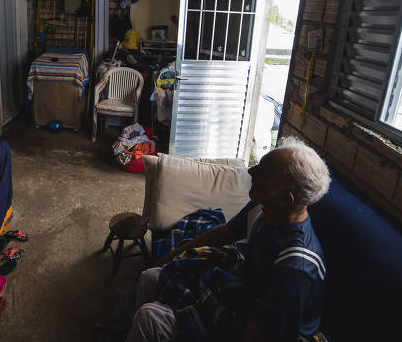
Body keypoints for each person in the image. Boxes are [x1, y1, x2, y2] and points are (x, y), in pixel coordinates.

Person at [127, 136, 330, 342]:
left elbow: (258, 335)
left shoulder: (296, 269)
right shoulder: (265, 207)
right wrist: (171, 256)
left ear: (286, 199)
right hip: (244, 294)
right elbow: (224, 233)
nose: (251, 171)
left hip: (257, 324)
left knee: (149, 317)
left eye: (263, 173)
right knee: (150, 277)